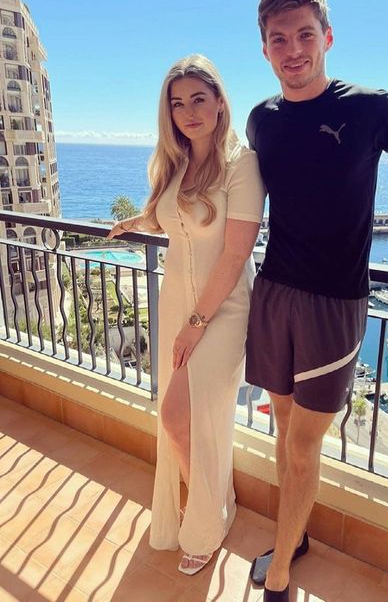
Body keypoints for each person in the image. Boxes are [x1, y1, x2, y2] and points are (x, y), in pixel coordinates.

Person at [245, 0, 388, 601]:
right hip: (273, 292)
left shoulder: (368, 110)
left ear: (328, 37)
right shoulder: (262, 121)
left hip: (335, 305)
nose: (293, 50)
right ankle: (298, 535)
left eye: (305, 35)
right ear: (264, 48)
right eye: (279, 38)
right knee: (283, 431)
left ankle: (281, 572)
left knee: (306, 446)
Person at [108, 54, 265, 575]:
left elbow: (235, 252)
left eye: (200, 98)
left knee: (180, 417)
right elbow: (172, 219)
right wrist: (134, 221)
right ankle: (213, 501)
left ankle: (209, 517)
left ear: (221, 103)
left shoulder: (243, 164)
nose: (189, 111)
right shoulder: (177, 163)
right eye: (178, 103)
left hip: (219, 310)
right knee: (189, 420)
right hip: (178, 302)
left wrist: (197, 324)